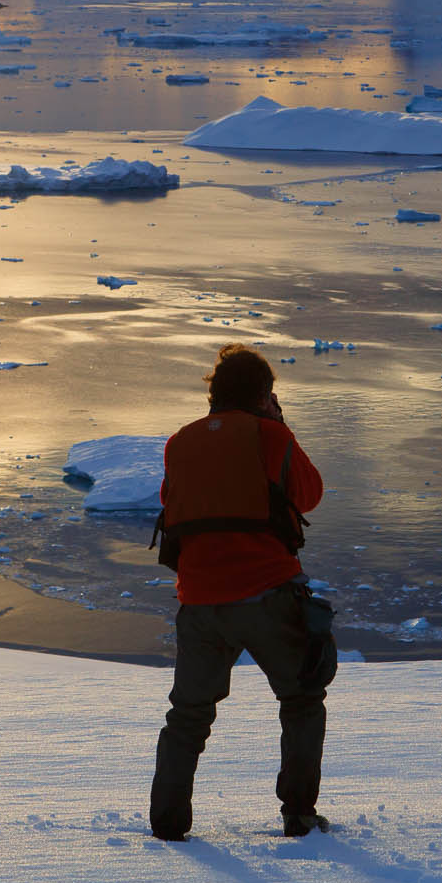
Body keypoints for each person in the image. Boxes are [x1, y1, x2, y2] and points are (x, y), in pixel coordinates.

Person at [148, 343, 336, 841]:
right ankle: (298, 814)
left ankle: (167, 823)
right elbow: (309, 492)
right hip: (268, 593)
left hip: (200, 599)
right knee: (301, 699)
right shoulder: (269, 435)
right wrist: (279, 427)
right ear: (264, 395)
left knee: (187, 715)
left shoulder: (180, 442)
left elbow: (173, 504)